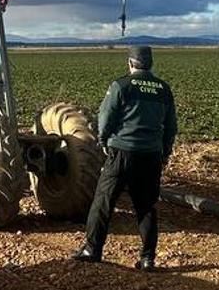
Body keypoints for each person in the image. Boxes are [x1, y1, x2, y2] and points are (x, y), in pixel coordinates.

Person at [73, 45, 178, 270]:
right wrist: (165, 152)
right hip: (151, 155)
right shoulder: (164, 89)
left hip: (122, 153)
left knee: (103, 201)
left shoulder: (121, 86)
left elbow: (106, 117)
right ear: (151, 64)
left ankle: (92, 249)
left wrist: (103, 141)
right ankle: (148, 258)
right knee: (146, 206)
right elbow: (171, 127)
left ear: (130, 63)